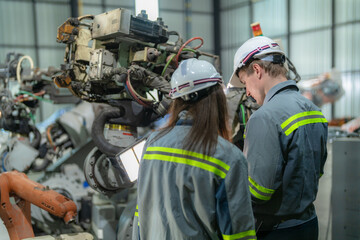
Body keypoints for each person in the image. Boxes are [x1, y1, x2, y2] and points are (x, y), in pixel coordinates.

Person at [133, 58, 256, 240]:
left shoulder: (152, 144)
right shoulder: (227, 157)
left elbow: (140, 214)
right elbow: (240, 234)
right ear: (217, 99)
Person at [229, 36, 328, 240]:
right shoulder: (315, 111)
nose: (247, 93)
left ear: (257, 70)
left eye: (245, 82)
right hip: (309, 224)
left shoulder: (264, 117)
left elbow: (258, 192)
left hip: (277, 231)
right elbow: (315, 172)